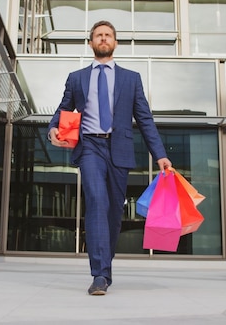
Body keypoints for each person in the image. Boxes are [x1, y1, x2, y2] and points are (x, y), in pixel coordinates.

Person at [48, 20, 172, 295]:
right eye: (98, 36)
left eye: (108, 35)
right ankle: (100, 275)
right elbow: (62, 110)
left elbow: (145, 119)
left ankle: (105, 264)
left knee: (114, 213)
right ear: (90, 42)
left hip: (119, 149)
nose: (103, 39)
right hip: (90, 146)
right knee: (96, 201)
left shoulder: (131, 78)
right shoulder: (76, 77)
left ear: (115, 42)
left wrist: (160, 155)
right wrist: (53, 129)